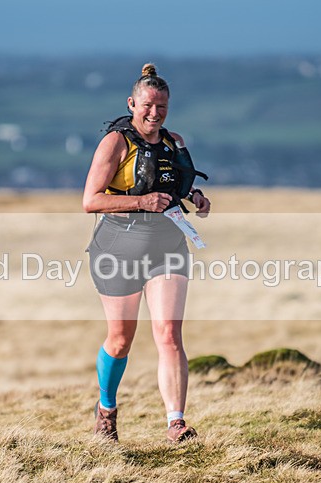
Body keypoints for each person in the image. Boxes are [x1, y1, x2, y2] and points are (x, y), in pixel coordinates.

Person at [82, 63, 211, 443]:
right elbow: (90, 201)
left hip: (168, 245)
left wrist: (196, 197)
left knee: (169, 334)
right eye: (148, 106)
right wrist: (142, 201)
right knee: (121, 339)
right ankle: (106, 409)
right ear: (132, 104)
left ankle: (176, 423)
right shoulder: (115, 143)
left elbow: (177, 184)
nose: (155, 113)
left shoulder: (174, 142)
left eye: (162, 107)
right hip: (117, 249)